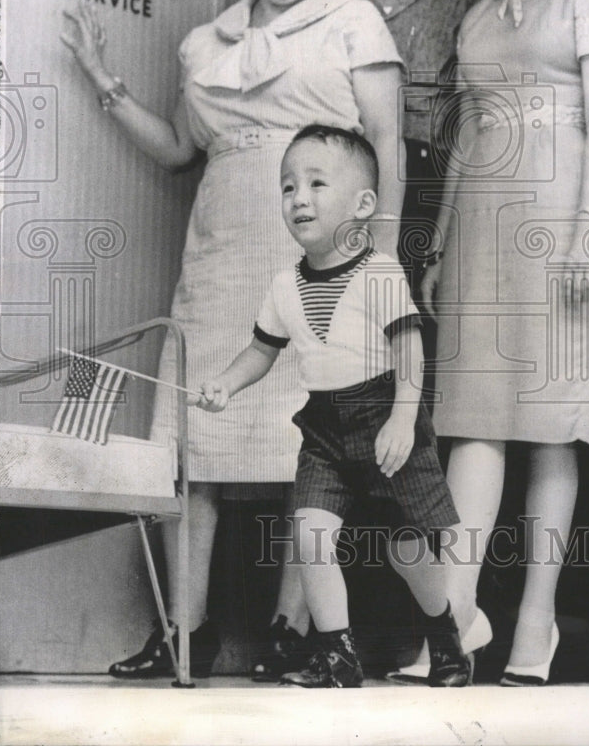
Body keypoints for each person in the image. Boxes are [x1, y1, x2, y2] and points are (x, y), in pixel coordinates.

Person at [60, 0, 404, 681]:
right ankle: (185, 630)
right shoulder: (204, 42)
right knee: (196, 444)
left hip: (318, 256)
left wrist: (377, 254)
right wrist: (101, 78)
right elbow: (182, 148)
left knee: (307, 443)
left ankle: (297, 630)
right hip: (218, 253)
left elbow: (386, 146)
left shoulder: (351, 21)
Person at [389, 0, 589, 686]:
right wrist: (436, 248)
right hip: (477, 225)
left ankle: (535, 625)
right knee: (472, 423)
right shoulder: (481, 6)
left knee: (551, 426)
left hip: (556, 222)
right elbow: (463, 136)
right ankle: (456, 623)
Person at [192, 125, 472, 688]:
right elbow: (260, 352)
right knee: (311, 534)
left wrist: (400, 419)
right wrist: (224, 383)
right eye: (288, 187)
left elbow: (410, 354)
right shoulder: (283, 286)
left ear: (364, 204)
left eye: (317, 184)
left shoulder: (381, 274)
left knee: (409, 550)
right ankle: (336, 655)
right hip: (324, 425)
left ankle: (445, 639)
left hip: (387, 415)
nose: (299, 198)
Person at [319, 0, 482, 295]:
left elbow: (474, 125)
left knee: (413, 347)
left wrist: (444, 239)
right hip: (342, 191)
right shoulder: (327, 2)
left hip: (430, 204)